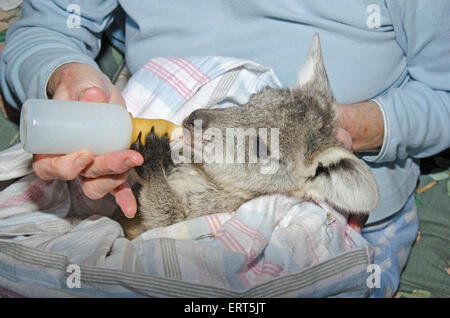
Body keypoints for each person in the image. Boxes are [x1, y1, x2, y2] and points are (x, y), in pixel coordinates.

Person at [1, 1, 449, 297]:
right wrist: (69, 80)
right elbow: (52, 23)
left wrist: (352, 127)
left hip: (324, 185)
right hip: (148, 142)